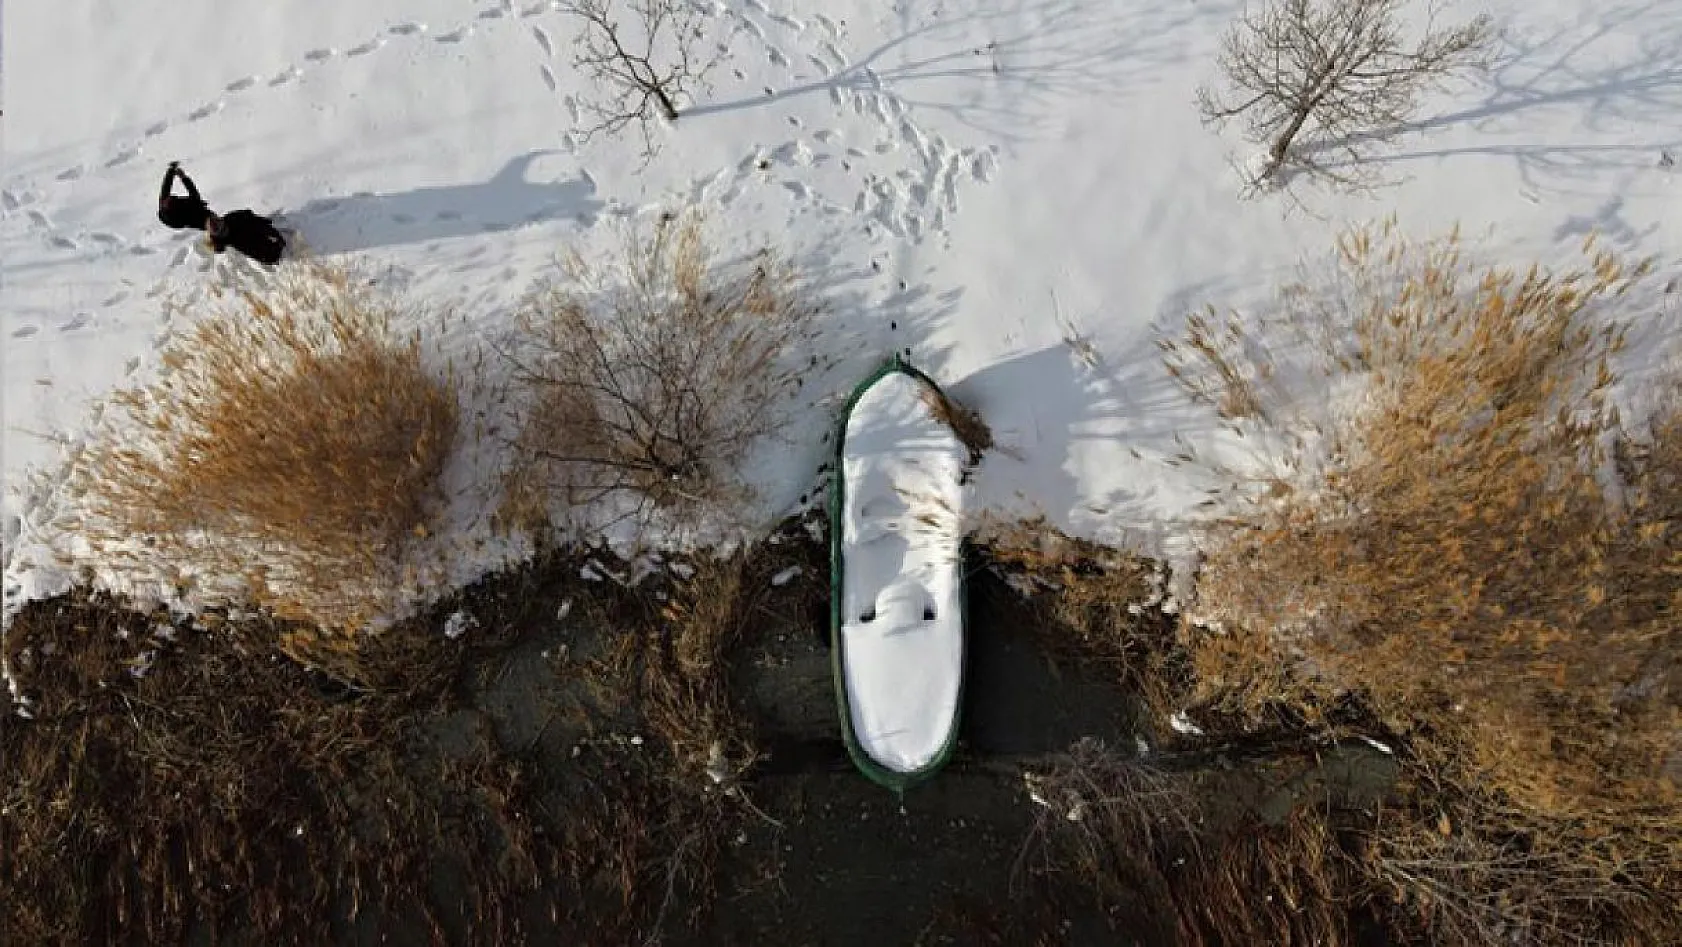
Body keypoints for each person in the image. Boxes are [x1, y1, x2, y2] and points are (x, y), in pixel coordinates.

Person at [155, 161, 288, 265]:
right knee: (243, 223)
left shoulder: (175, 203)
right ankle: (271, 239)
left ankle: (267, 230)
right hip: (214, 225)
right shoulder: (181, 215)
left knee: (242, 217)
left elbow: (169, 188)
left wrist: (175, 172)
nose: (171, 197)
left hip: (215, 222)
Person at [157, 161, 211, 230]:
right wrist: (184, 178)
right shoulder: (184, 212)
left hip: (192, 211)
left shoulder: (163, 203)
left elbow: (166, 185)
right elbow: (194, 194)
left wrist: (172, 170)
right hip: (196, 216)